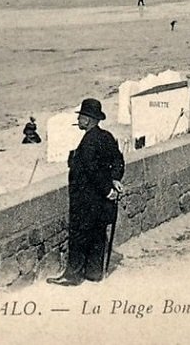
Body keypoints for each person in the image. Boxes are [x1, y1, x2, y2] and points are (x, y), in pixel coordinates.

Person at [47, 98, 124, 285]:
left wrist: (107, 190)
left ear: (88, 120)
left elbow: (91, 171)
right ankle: (94, 273)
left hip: (85, 199)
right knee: (97, 234)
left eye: (81, 116)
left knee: (79, 235)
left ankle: (72, 276)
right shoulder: (106, 136)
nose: (79, 120)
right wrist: (114, 180)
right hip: (100, 201)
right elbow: (118, 161)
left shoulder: (89, 141)